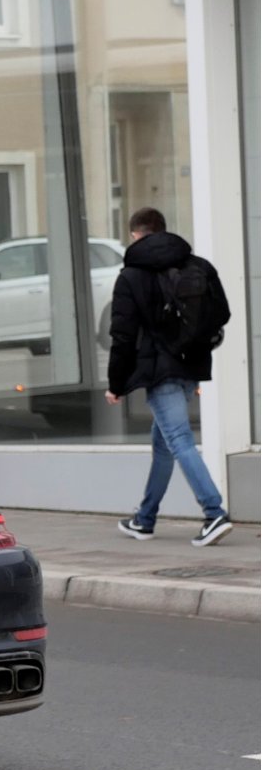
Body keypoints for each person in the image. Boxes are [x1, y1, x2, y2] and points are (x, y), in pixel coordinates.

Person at [105, 207, 232, 547]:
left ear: (136, 235)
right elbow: (222, 313)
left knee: (178, 438)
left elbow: (123, 336)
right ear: (162, 230)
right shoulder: (197, 265)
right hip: (191, 366)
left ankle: (214, 512)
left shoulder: (131, 276)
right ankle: (144, 520)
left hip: (161, 372)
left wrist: (116, 384)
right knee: (163, 444)